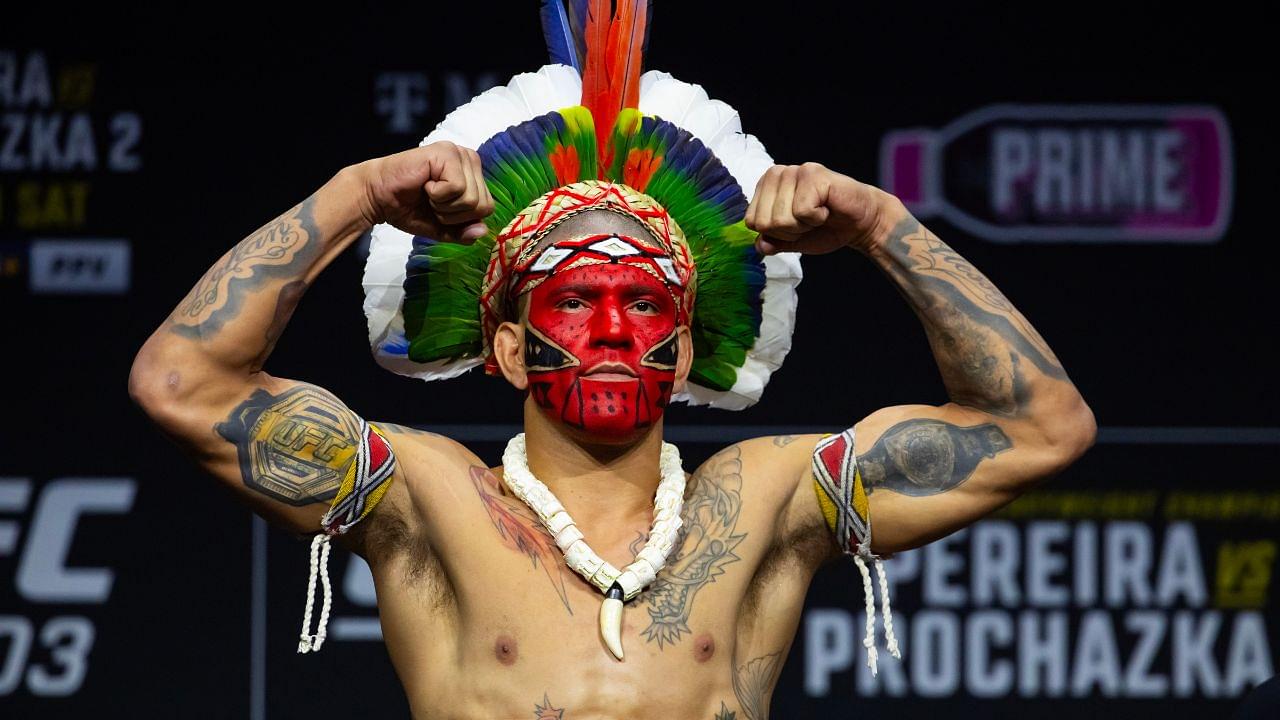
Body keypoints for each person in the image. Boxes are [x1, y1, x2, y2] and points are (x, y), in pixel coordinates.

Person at [127, 5, 1095, 718]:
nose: (610, 331)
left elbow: (1041, 429)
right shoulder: (427, 501)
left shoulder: (760, 504)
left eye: (642, 304)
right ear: (505, 347)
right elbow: (181, 384)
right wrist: (357, 195)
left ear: (680, 354)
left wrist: (882, 226)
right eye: (574, 301)